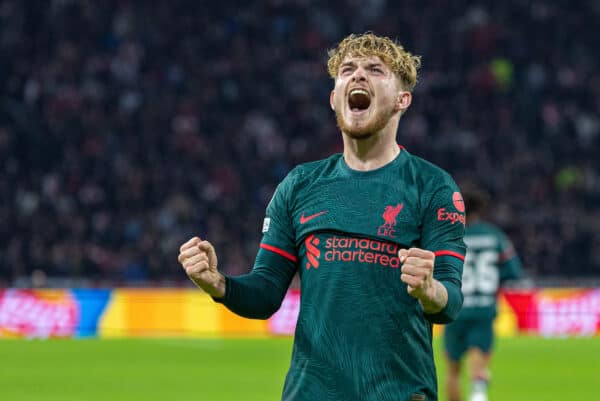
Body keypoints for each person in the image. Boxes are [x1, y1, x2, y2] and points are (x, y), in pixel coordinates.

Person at [178, 32, 466, 401]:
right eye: (348, 70)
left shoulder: (433, 187)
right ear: (334, 98)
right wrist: (218, 283)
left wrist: (429, 291)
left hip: (398, 393)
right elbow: (265, 292)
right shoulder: (300, 185)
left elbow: (451, 301)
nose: (358, 76)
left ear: (401, 100)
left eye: (375, 70)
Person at [443, 184, 523, 401]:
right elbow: (513, 273)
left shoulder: (449, 235)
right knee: (479, 360)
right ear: (480, 209)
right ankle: (479, 393)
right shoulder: (494, 236)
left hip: (454, 308)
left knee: (452, 371)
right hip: (484, 308)